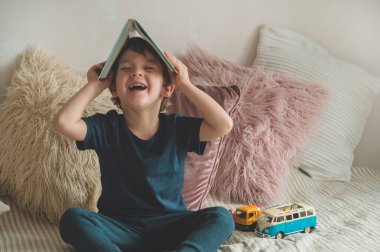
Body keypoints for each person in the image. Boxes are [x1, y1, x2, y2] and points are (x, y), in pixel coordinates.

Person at [54, 37, 235, 252]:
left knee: (221, 216)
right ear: (114, 89)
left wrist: (184, 84)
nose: (136, 73)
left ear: (167, 88)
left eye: (148, 68)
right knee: (72, 218)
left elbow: (223, 125)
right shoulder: (107, 127)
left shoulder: (177, 128)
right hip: (120, 229)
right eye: (126, 68)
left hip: (172, 227)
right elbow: (64, 122)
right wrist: (95, 84)